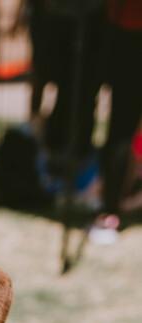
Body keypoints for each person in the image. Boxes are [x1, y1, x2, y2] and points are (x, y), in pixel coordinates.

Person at [90, 0, 142, 244]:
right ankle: (110, 209)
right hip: (129, 31)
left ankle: (112, 208)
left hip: (127, 29)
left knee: (122, 127)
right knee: (122, 127)